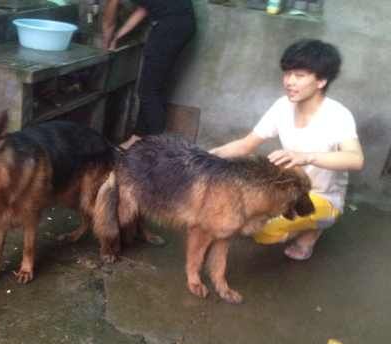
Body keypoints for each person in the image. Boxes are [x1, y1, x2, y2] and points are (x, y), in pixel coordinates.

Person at [210, 39, 364, 261]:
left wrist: (307, 157)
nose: (289, 82)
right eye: (287, 74)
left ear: (321, 80)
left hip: (322, 195)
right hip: (288, 189)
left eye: (299, 75)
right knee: (243, 219)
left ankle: (315, 229)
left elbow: (356, 159)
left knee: (263, 231)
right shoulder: (283, 105)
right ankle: (301, 222)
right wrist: (205, 156)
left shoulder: (338, 115)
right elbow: (246, 144)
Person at [102, 0, 196, 150]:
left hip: (170, 26)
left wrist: (105, 46)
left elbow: (108, 23)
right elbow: (144, 9)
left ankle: (158, 148)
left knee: (148, 91)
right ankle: (137, 138)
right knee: (153, 88)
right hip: (183, 24)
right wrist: (118, 36)